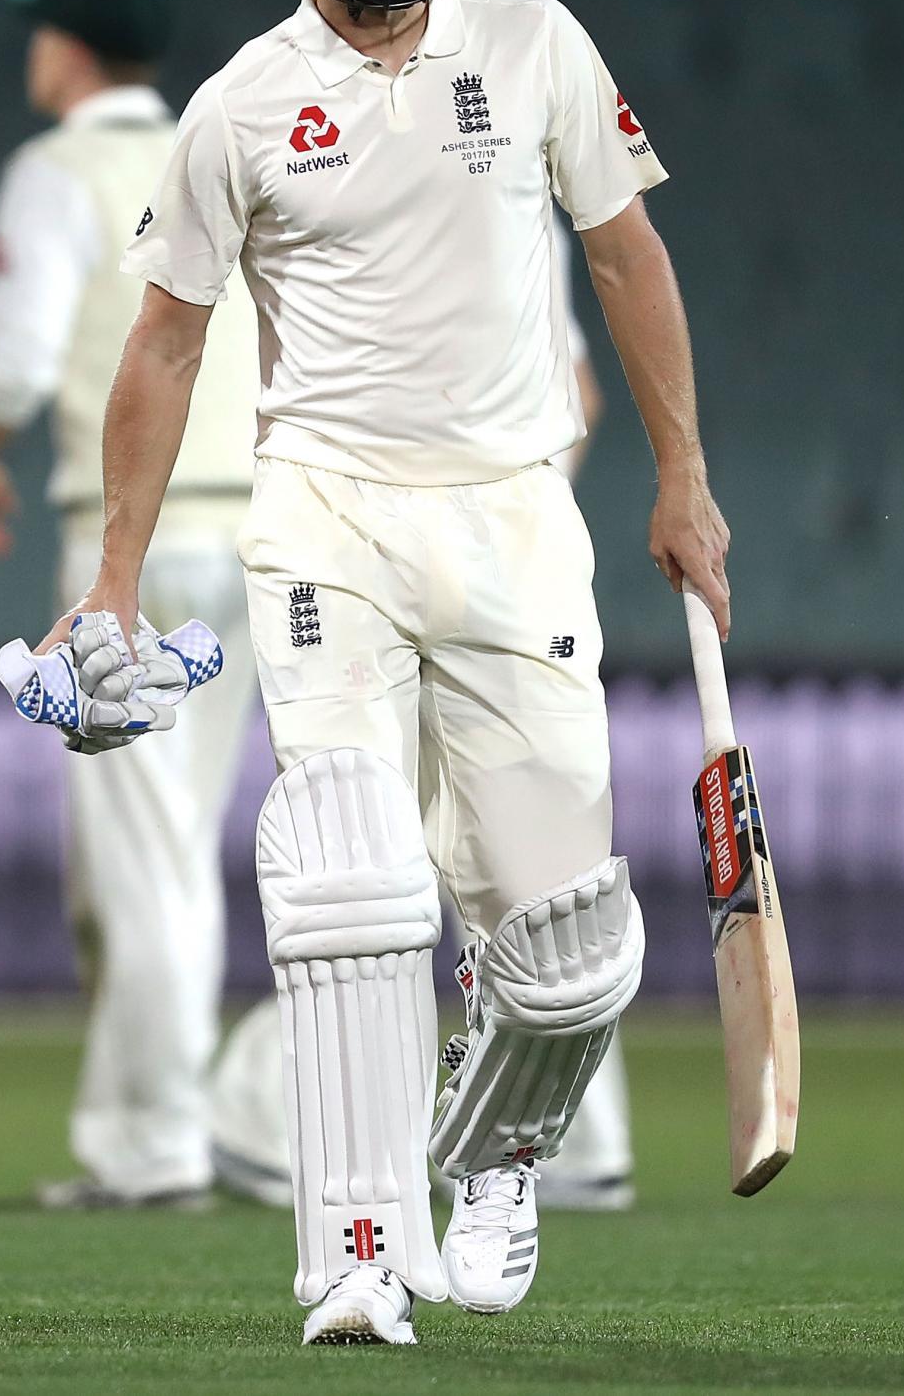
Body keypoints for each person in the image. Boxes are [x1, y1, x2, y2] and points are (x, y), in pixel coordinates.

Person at [76, 0, 726, 1343]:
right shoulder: (240, 101)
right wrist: (112, 579)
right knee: (352, 866)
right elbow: (164, 347)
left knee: (570, 942)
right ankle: (357, 1247)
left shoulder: (536, 39)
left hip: (513, 512)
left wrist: (684, 478)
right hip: (326, 510)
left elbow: (627, 251)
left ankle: (497, 1153)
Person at [203, 220, 637, 1215]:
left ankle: (278, 1125)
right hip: (480, 570)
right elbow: (576, 388)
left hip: (403, 570)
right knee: (509, 864)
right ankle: (572, 1138)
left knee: (366, 856)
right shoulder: (493, 184)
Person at [0, 0, 261, 1210]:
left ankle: (155, 1148)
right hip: (260, 525)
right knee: (164, 847)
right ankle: (183, 1126)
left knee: (145, 855)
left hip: (138, 540)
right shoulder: (215, 142)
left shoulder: (54, 170)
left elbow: (20, 361)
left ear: (65, 51)